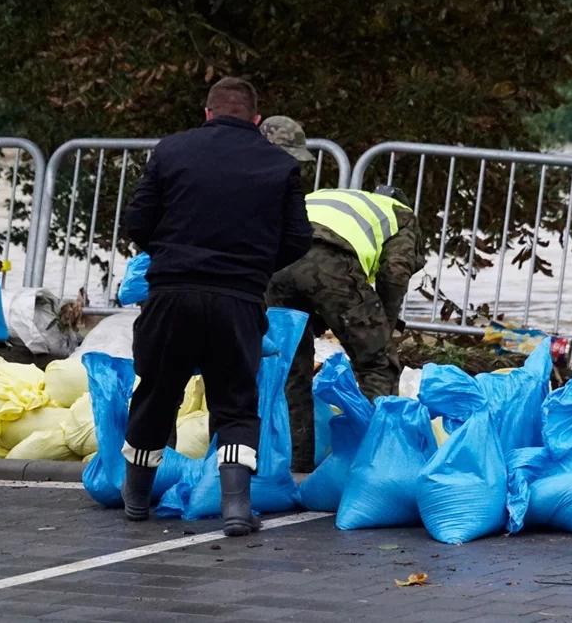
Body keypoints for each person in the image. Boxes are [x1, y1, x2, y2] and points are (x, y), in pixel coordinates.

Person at [121, 77, 312, 536]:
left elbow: (136, 221)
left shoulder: (170, 151)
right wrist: (253, 267)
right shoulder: (279, 165)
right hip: (239, 299)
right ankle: (236, 508)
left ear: (207, 112)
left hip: (171, 294)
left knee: (157, 391)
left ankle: (136, 498)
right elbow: (298, 238)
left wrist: (169, 257)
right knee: (235, 402)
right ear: (256, 119)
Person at [264, 118, 426, 473]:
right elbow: (395, 272)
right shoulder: (401, 215)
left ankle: (298, 460)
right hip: (329, 261)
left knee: (292, 366)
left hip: (277, 262)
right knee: (376, 363)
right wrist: (384, 320)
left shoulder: (326, 196)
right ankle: (376, 463)